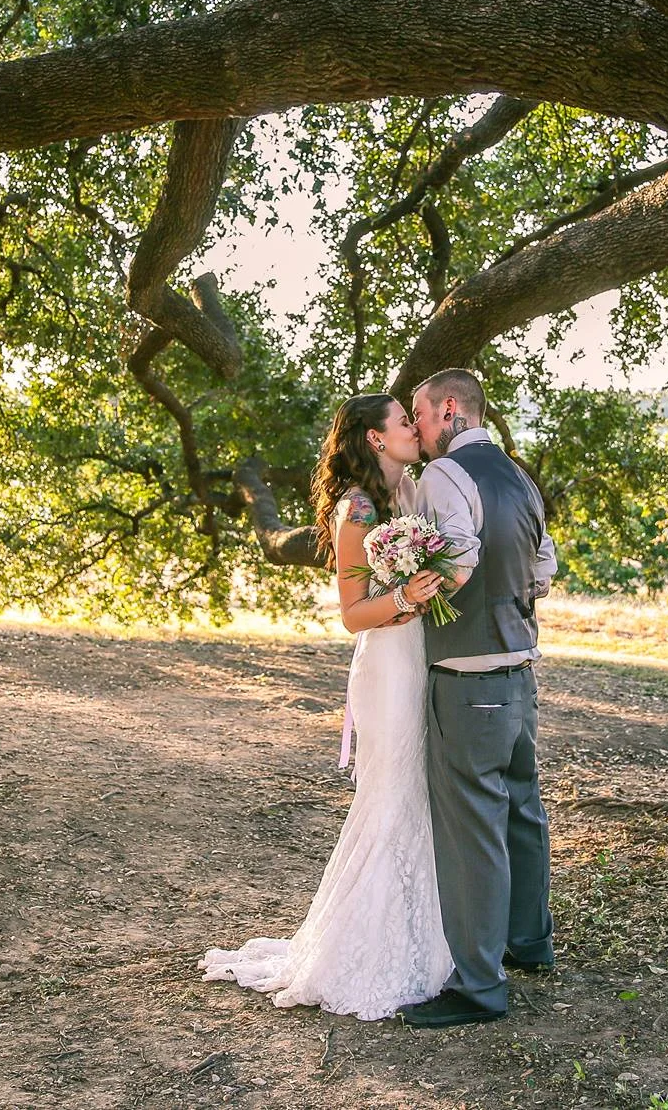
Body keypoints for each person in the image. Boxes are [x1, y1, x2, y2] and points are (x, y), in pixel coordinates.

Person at [200, 393, 454, 1020]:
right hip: (390, 666)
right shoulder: (358, 509)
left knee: (419, 793)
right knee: (391, 794)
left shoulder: (413, 490)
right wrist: (407, 598)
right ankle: (370, 951)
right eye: (403, 422)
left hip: (421, 655)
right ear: (375, 438)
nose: (415, 428)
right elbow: (351, 615)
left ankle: (432, 941)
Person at [396, 367, 558, 1029]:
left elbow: (458, 557)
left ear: (452, 408)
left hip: (470, 679)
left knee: (473, 831)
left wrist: (414, 581)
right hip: (519, 674)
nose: (419, 427)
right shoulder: (518, 475)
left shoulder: (443, 477)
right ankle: (530, 942)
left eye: (422, 413)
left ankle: (480, 983)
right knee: (522, 811)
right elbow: (543, 568)